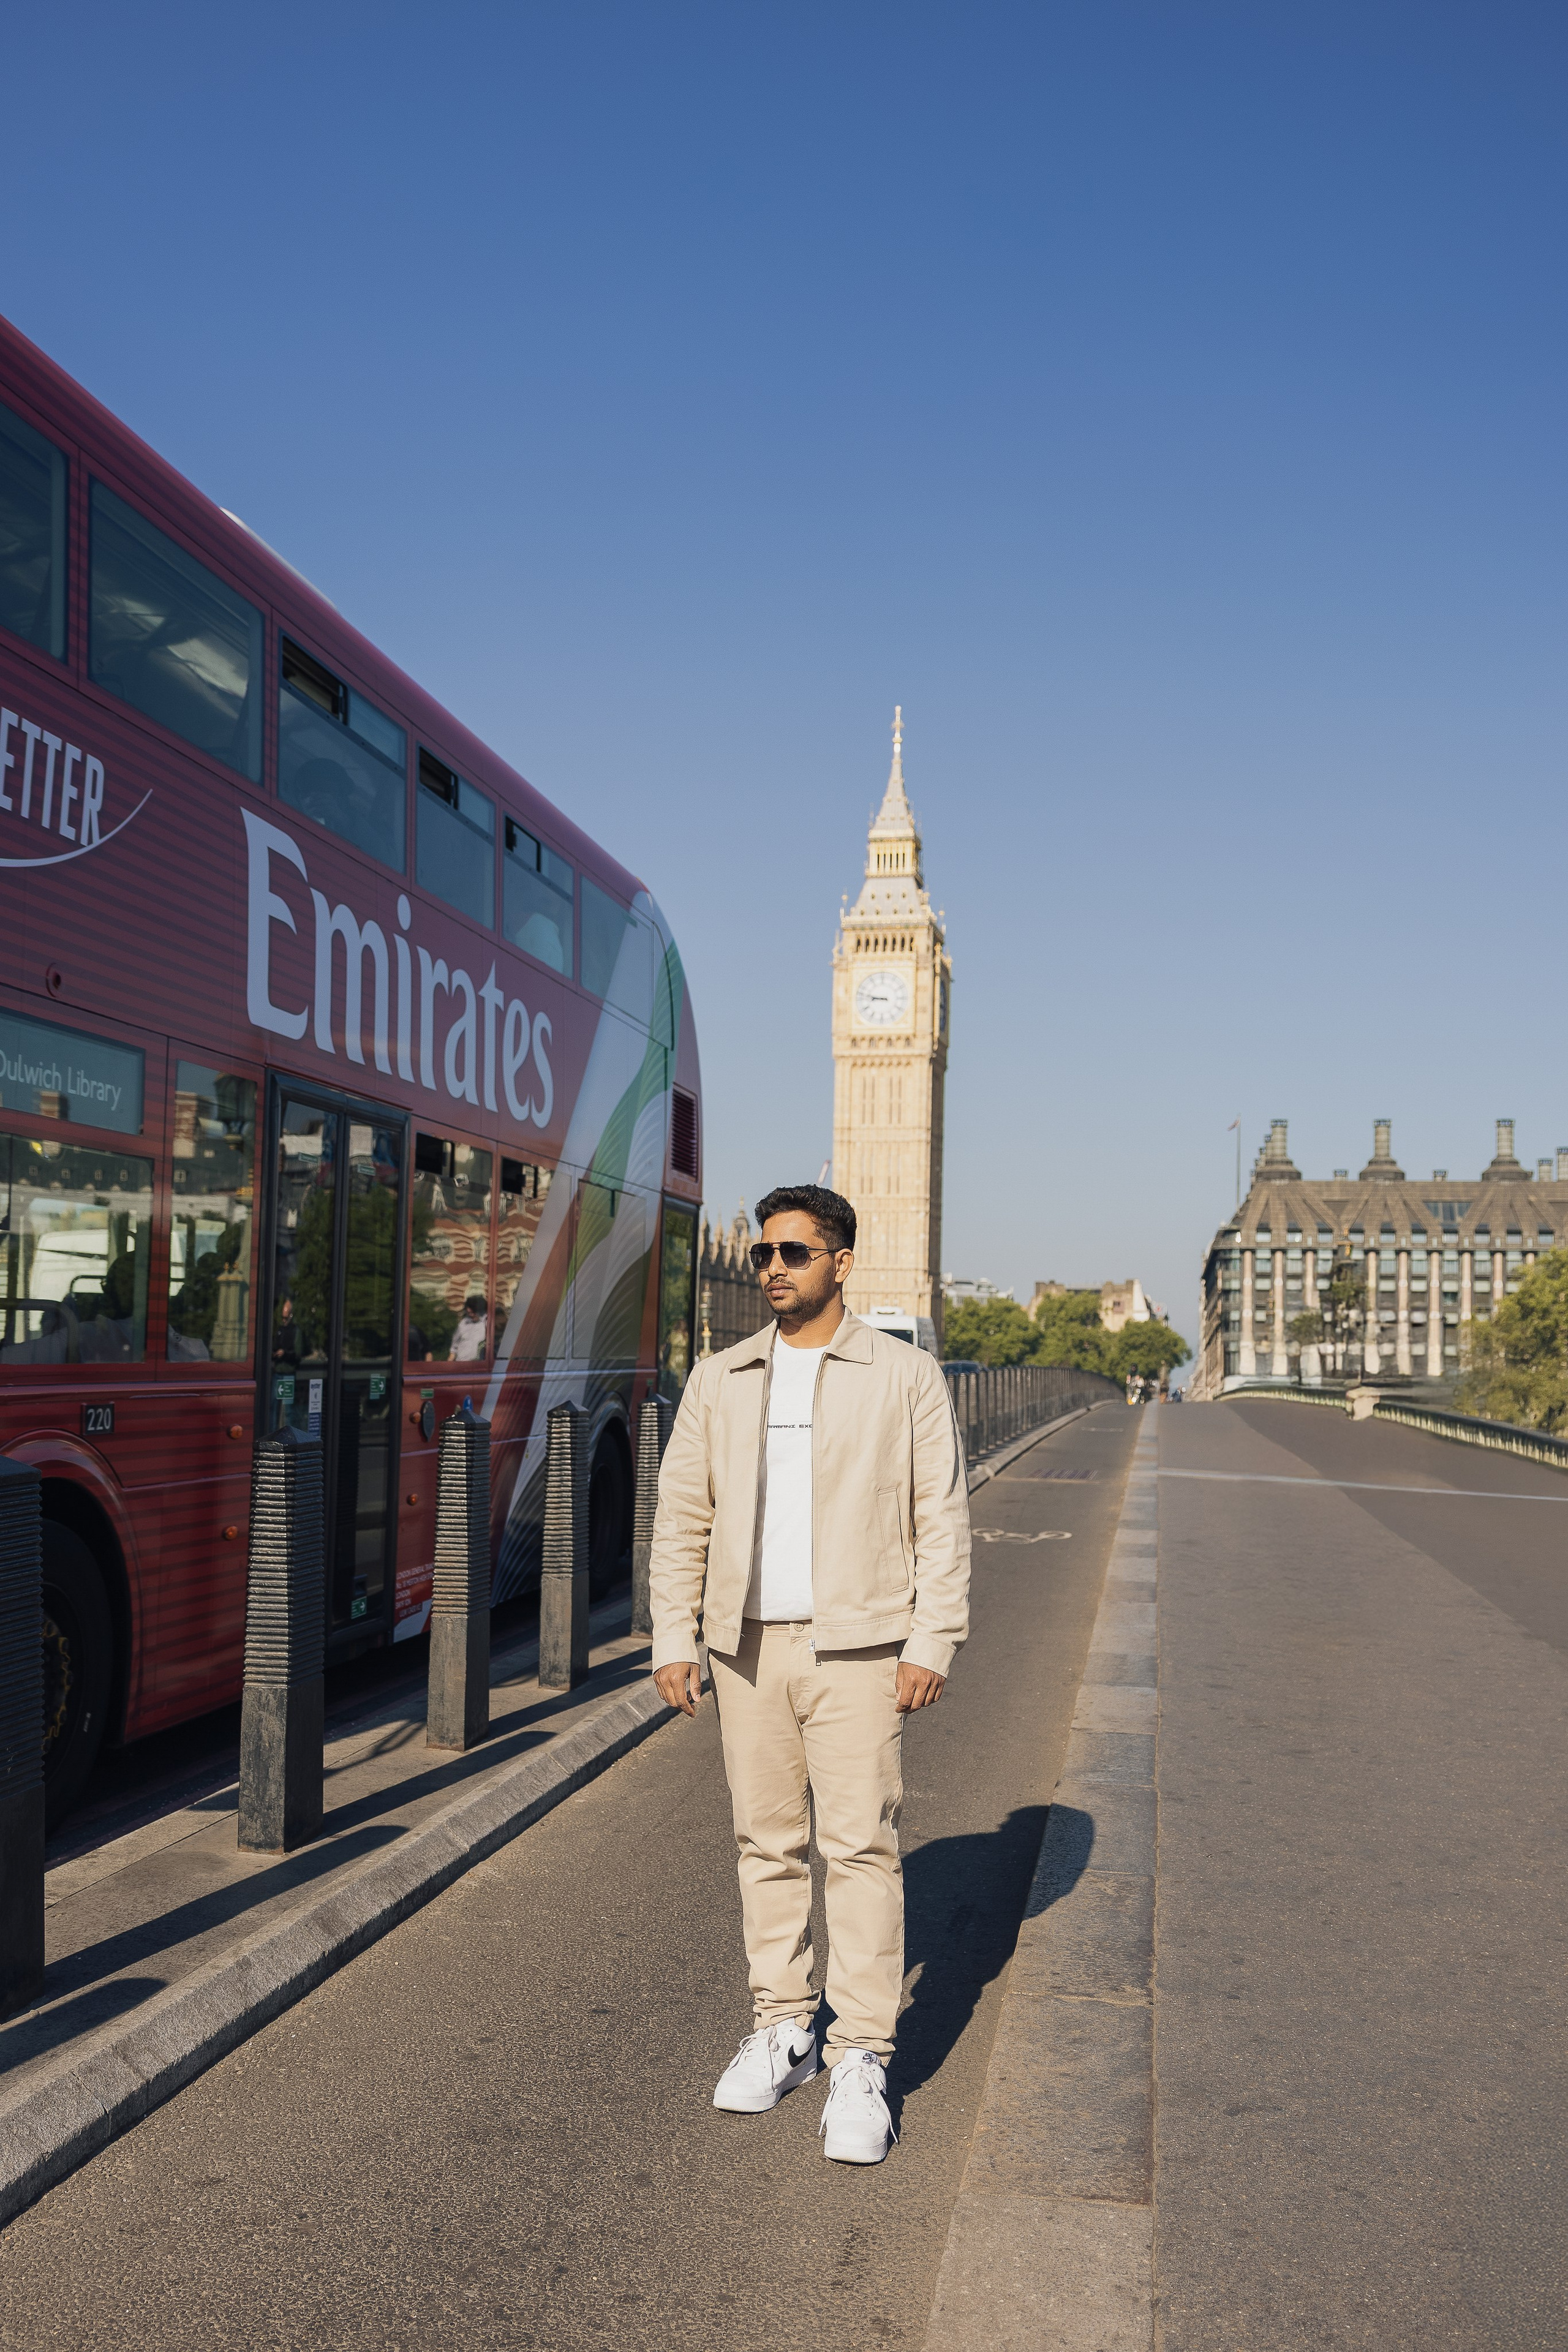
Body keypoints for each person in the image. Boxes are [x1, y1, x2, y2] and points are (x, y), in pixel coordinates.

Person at [649, 1183, 970, 2166]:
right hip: (746, 1646)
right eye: (763, 1255)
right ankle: (783, 2024)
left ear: (840, 1263)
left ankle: (862, 2054)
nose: (774, 1270)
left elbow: (940, 1516)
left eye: (793, 1252)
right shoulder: (722, 1376)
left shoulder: (903, 1375)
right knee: (765, 1843)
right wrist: (674, 1633)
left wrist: (933, 1639)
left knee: (862, 1848)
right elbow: (682, 1516)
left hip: (862, 1645)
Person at [447, 1294, 488, 1362]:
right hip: (461, 1365)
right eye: (469, 1313)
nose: (471, 1315)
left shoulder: (487, 1324)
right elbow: (454, 1349)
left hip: (479, 1365)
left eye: (473, 1313)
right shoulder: (463, 1324)